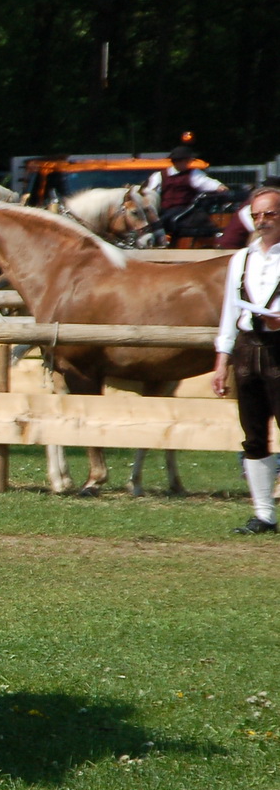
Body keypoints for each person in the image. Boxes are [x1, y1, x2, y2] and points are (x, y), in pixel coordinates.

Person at [210, 185, 280, 534]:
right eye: (256, 216)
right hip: (247, 350)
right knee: (253, 435)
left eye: (270, 214)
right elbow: (229, 312)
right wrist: (221, 360)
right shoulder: (242, 258)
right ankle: (264, 514)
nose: (262, 221)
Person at [145, 145, 229, 240]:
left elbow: (204, 182)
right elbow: (150, 195)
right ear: (178, 161)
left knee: (197, 218)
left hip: (186, 210)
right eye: (188, 160)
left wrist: (218, 186)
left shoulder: (193, 174)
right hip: (165, 211)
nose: (189, 163)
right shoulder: (159, 176)